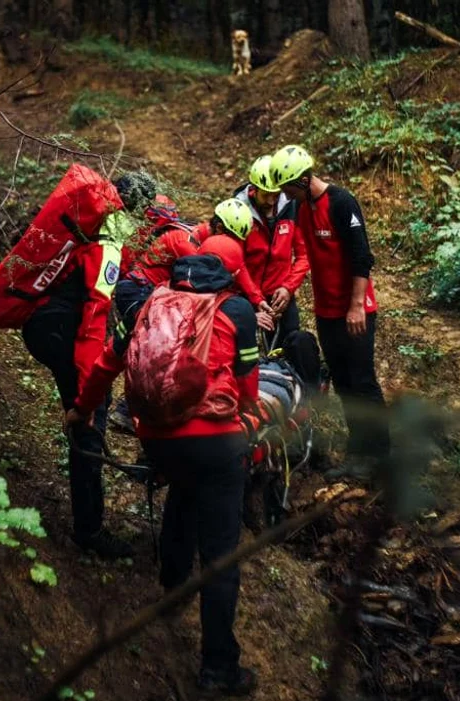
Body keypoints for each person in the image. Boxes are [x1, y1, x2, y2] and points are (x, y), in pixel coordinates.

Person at [65, 235, 260, 695]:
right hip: (216, 443)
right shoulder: (236, 311)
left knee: (183, 489)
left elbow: (107, 363)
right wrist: (247, 418)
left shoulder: (152, 304)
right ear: (231, 272)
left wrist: (81, 408)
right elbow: (248, 384)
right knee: (220, 553)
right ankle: (218, 667)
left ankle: (173, 586)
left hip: (158, 438)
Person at [21, 172, 155, 559]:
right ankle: (89, 529)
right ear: (132, 212)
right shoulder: (105, 249)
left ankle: (88, 520)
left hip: (46, 326)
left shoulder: (92, 230)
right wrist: (86, 398)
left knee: (84, 418)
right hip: (62, 334)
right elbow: (93, 326)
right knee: (88, 426)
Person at [269, 145, 390, 480]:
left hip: (354, 310)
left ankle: (380, 457)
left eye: (288, 188)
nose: (285, 196)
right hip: (327, 310)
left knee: (362, 382)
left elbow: (362, 257)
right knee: (345, 384)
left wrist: (355, 307)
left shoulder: (341, 203)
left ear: (305, 179)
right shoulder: (302, 206)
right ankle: (358, 456)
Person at [108, 198, 274, 432]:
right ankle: (128, 409)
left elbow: (238, 268)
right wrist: (244, 315)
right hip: (138, 290)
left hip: (158, 292)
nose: (234, 244)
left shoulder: (208, 243)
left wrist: (258, 301)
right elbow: (206, 291)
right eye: (232, 238)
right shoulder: (188, 245)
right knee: (156, 347)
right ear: (218, 228)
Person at [235, 155, 310, 345]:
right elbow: (236, 261)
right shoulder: (239, 211)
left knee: (290, 342)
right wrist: (255, 298)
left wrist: (288, 288)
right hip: (245, 291)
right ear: (253, 189)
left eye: (275, 195)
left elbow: (304, 255)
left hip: (280, 292)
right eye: (265, 195)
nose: (270, 201)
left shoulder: (292, 206)